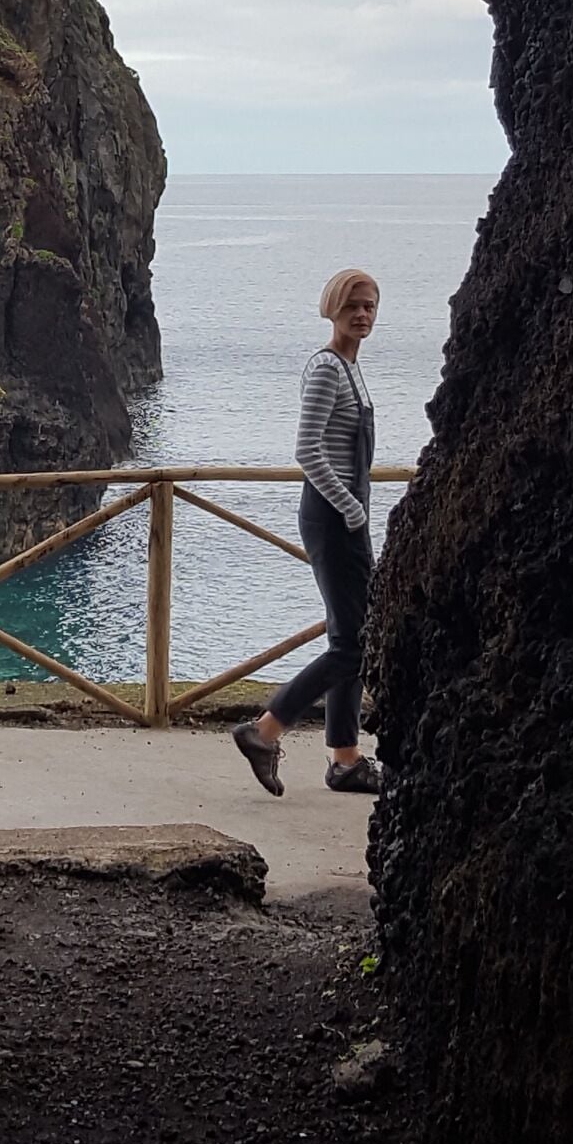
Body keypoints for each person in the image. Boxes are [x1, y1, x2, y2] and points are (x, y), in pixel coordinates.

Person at [233, 269, 384, 799]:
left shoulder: (352, 368)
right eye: (352, 307)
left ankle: (344, 760)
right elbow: (307, 450)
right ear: (332, 309)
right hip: (333, 516)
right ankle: (264, 731)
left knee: (353, 639)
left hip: (346, 515)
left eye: (369, 306)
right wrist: (351, 508)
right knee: (352, 644)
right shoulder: (326, 368)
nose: (362, 315)